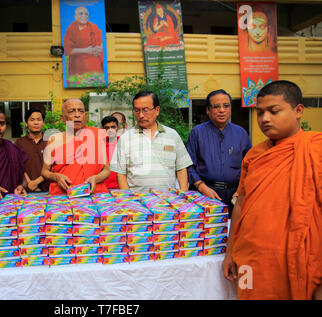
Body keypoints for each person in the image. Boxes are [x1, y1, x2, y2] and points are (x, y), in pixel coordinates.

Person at [222, 80, 322, 300]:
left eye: (274, 111)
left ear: (298, 111)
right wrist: (230, 253)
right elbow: (240, 204)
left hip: (296, 257)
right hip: (249, 255)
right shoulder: (254, 155)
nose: (265, 119)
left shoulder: (316, 149)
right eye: (260, 113)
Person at [110, 91, 193, 193]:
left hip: (169, 201)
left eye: (145, 110)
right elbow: (121, 174)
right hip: (138, 203)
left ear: (157, 110)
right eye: (136, 110)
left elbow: (181, 169)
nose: (140, 115)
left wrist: (183, 194)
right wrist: (129, 200)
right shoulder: (125, 139)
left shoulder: (172, 135)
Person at [186, 89, 251, 218]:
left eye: (226, 106)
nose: (222, 110)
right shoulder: (197, 133)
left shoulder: (241, 133)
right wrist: (201, 186)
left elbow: (250, 164)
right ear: (208, 110)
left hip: (234, 194)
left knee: (233, 233)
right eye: (216, 107)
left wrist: (241, 189)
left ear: (231, 109)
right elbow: (188, 165)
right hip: (205, 192)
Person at [42, 98, 110, 195]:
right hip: (63, 195)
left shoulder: (97, 136)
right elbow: (44, 171)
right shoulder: (54, 139)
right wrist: (57, 177)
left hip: (94, 194)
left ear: (85, 116)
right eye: (71, 111)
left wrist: (96, 178)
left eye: (81, 111)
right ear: (63, 118)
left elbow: (106, 170)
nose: (77, 115)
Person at [15, 107, 50, 193]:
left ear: (43, 122)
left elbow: (53, 166)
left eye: (39, 119)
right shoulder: (19, 143)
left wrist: (36, 182)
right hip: (27, 190)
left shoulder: (50, 141)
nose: (36, 122)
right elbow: (19, 166)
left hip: (49, 189)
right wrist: (30, 183)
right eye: (32, 120)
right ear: (26, 123)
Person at [63, 6, 104, 77]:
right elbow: (67, 50)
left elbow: (101, 43)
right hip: (78, 63)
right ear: (75, 16)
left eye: (86, 14)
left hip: (94, 58)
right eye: (81, 14)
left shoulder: (93, 27)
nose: (84, 16)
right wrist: (86, 50)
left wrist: (99, 48)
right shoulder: (71, 29)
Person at [101, 115, 120, 189]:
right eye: (107, 127)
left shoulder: (123, 142)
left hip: (120, 186)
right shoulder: (100, 144)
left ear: (117, 128)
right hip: (103, 186)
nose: (110, 130)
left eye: (113, 127)